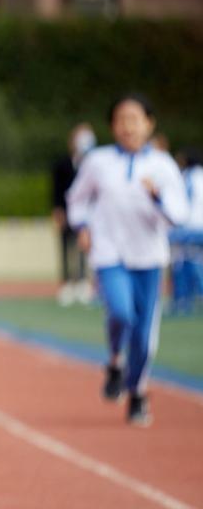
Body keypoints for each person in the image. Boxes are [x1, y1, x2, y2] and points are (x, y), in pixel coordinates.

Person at [67, 93, 188, 426]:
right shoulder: (98, 162)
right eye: (121, 120)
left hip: (148, 256)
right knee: (121, 312)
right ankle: (115, 360)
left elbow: (178, 213)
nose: (128, 126)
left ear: (149, 124)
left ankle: (136, 391)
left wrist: (157, 196)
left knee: (145, 334)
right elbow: (77, 198)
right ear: (112, 126)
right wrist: (82, 225)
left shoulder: (162, 166)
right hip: (110, 253)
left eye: (135, 119)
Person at [51, 123, 97, 306]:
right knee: (66, 247)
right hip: (67, 213)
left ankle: (84, 283)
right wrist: (58, 210)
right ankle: (67, 283)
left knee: (85, 248)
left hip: (88, 215)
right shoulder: (62, 164)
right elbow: (56, 190)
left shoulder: (95, 164)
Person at [169, 148, 203, 315]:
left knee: (182, 261)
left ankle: (183, 300)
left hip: (189, 227)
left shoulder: (188, 177)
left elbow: (183, 204)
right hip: (200, 226)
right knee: (196, 259)